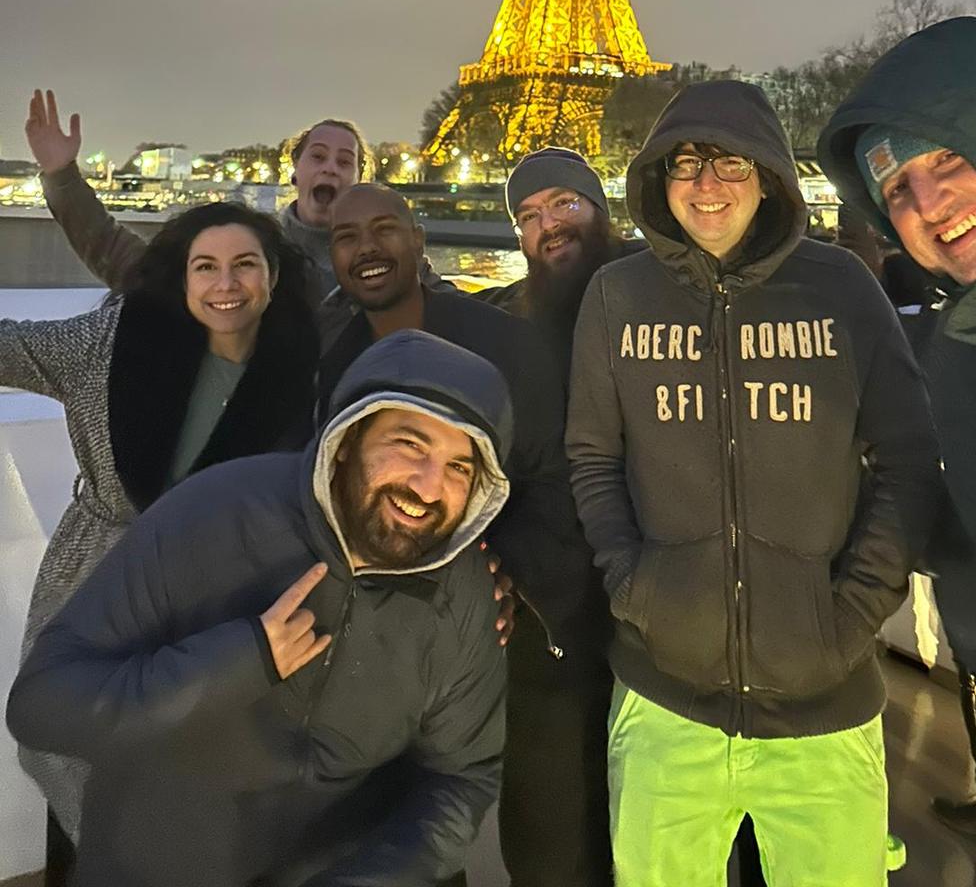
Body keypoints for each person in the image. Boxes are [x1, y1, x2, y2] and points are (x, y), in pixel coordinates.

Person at [567, 80, 940, 887]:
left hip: (827, 708)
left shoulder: (843, 290)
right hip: (665, 702)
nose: (706, 184)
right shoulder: (616, 296)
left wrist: (849, 616)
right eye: (685, 163)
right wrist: (638, 589)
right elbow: (592, 457)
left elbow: (910, 462)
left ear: (768, 175)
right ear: (659, 180)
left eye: (729, 162)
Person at [7, 330, 509, 887]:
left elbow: (461, 777)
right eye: (410, 445)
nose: (428, 485)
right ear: (345, 439)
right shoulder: (209, 515)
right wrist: (237, 661)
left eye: (460, 468)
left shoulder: (462, 594)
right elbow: (41, 707)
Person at [818, 15, 976, 882]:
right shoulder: (961, 345)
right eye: (895, 191)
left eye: (947, 160)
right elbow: (966, 529)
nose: (926, 206)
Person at [2, 200, 319, 847]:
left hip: (226, 597)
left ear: (274, 275)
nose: (225, 284)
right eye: (205, 266)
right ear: (182, 276)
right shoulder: (112, 341)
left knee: (192, 761)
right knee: (76, 743)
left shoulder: (311, 365)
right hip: (100, 569)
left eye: (244, 265)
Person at [320, 182, 600, 887]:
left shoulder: (503, 341)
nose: (366, 248)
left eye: (385, 228)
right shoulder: (335, 356)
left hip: (530, 634)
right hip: (399, 642)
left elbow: (563, 477)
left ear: (418, 242)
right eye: (346, 237)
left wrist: (504, 573)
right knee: (416, 829)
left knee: (549, 840)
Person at [26, 89, 362, 300]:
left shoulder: (379, 261)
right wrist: (62, 177)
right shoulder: (254, 244)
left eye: (344, 161)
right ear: (295, 169)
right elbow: (132, 263)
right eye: (318, 156)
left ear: (359, 179)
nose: (330, 168)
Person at [478, 147, 641, 385]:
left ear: (599, 210)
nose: (548, 224)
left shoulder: (659, 276)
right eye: (529, 217)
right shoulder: (508, 311)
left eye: (563, 203)